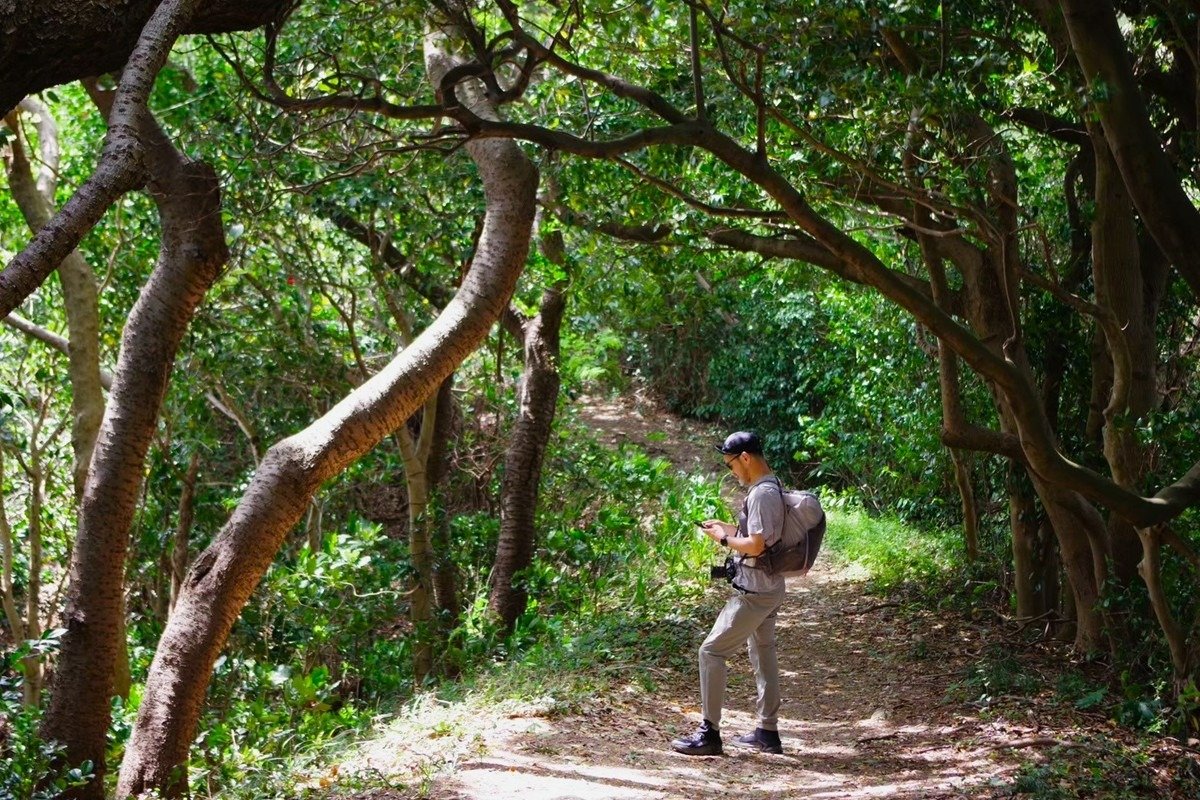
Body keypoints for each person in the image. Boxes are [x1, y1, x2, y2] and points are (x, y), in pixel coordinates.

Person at [671, 430, 786, 756]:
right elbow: (758, 537)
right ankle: (767, 732)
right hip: (769, 586)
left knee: (711, 652)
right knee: (763, 653)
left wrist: (723, 540)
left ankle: (709, 734)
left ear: (745, 458)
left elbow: (757, 545)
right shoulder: (770, 486)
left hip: (754, 591)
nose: (731, 471)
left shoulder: (762, 493)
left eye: (730, 465)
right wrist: (725, 527)